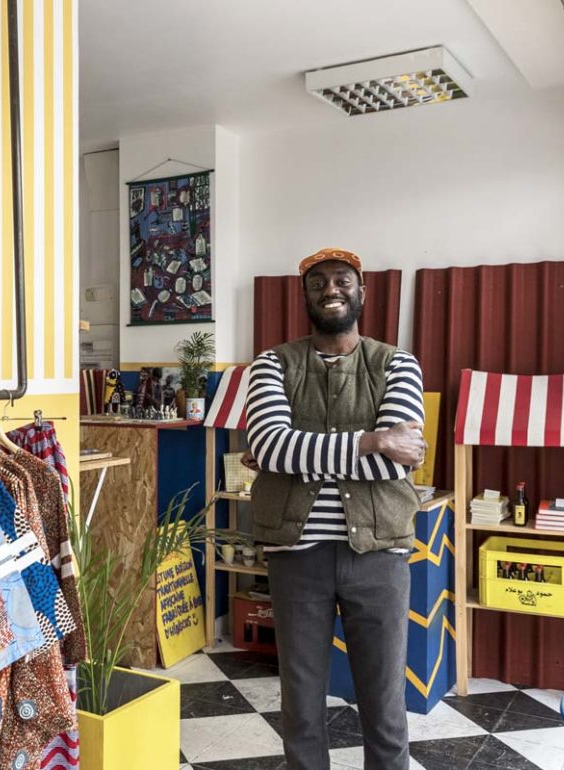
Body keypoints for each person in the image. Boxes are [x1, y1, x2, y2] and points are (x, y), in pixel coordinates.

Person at [243, 247, 427, 770]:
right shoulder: (271, 364)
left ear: (362, 291)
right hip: (296, 555)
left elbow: (393, 465)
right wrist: (373, 440)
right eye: (318, 282)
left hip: (379, 554)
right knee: (301, 702)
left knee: (384, 702)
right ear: (304, 295)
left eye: (343, 280)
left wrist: (296, 454)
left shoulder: (398, 363)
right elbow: (272, 446)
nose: (331, 290)